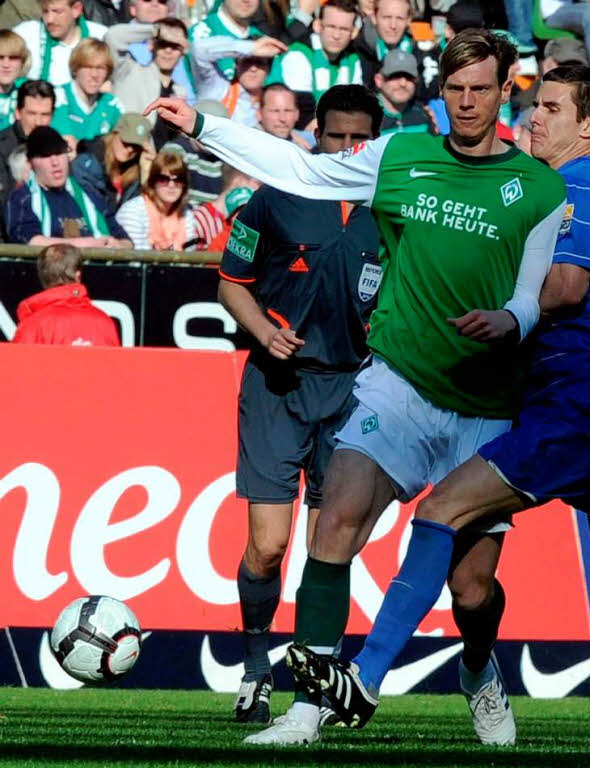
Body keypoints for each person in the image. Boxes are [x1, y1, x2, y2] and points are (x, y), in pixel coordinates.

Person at [283, 64, 590, 754]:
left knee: (438, 511)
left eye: (549, 107)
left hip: (574, 403)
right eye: (534, 105)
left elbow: (567, 288)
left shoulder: (576, 185)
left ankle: (362, 677)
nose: (533, 118)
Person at [146, 28, 566, 747]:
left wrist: (508, 317)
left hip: (483, 400)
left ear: (506, 91)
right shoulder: (401, 155)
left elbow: (535, 294)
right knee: (335, 521)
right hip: (394, 385)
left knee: (471, 590)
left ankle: (476, 665)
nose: (466, 103)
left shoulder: (539, 187)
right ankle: (308, 705)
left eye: (480, 90)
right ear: (442, 93)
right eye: (455, 90)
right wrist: (210, 127)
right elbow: (301, 171)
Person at [215, 84, 383, 724]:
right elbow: (232, 285)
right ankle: (256, 670)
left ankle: (314, 687)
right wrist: (264, 332)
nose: (345, 149)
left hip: (352, 389)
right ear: (315, 135)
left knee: (329, 547)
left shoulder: (390, 208)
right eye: (334, 136)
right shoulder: (273, 199)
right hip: (276, 388)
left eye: (357, 139)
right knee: (267, 546)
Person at [4, 126, 131, 247]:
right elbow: (29, 241)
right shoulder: (21, 198)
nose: (55, 162)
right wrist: (91, 245)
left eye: (59, 153)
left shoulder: (88, 193)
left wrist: (117, 245)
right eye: (45, 156)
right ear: (30, 163)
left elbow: (125, 240)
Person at [269, 0, 365, 127]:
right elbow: (304, 113)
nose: (336, 35)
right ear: (317, 26)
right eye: (331, 27)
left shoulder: (353, 59)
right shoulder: (299, 53)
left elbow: (356, 106)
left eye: (344, 29)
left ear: (354, 33)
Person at [12, 243, 120, 345]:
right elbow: (117, 364)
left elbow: (14, 363)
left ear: (42, 277)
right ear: (78, 276)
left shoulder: (32, 326)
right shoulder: (105, 323)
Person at [106, 18, 192, 144]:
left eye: (174, 46)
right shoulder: (128, 71)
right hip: (127, 154)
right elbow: (112, 36)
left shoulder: (180, 92)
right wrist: (155, 30)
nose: (168, 51)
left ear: (183, 50)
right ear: (151, 44)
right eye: (163, 43)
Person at [191, 32, 288, 129]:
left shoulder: (272, 101)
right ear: (236, 65)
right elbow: (199, 49)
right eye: (247, 61)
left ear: (269, 69)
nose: (253, 69)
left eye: (260, 63)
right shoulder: (216, 87)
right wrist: (251, 48)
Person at [115, 149, 199, 249]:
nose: (171, 185)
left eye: (178, 180)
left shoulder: (187, 214)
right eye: (163, 179)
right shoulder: (133, 210)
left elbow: (189, 259)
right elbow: (136, 259)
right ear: (152, 181)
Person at [13, 0, 108, 88]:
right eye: (45, 11)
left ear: (76, 9)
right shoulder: (25, 34)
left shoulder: (102, 36)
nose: (49, 20)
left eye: (57, 12)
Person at [71, 112, 154, 214]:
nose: (129, 149)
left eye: (136, 146)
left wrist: (147, 174)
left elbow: (148, 213)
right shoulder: (87, 164)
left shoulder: (138, 171)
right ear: (114, 134)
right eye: (126, 142)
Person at [51, 39, 123, 147]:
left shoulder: (112, 105)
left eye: (100, 68)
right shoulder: (59, 98)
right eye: (88, 67)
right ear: (75, 69)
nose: (94, 75)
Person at [0, 80, 55, 205]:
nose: (38, 122)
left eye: (45, 115)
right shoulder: (2, 147)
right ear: (18, 113)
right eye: (32, 113)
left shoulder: (57, 148)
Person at [192, 165, 260, 248]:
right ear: (238, 180)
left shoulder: (241, 221)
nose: (259, 189)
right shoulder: (200, 219)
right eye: (258, 183)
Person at [375, 49, 434, 135]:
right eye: (395, 76)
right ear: (379, 80)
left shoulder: (423, 115)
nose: (403, 83)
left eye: (409, 77)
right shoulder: (366, 118)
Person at [257, 82, 313, 148]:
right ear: (259, 114)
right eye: (275, 111)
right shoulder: (246, 144)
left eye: (288, 111)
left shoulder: (312, 143)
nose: (282, 119)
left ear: (297, 114)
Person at [0, 30, 30, 134]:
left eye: (13, 58)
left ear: (22, 62)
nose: (6, 65)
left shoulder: (28, 92)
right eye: (0, 57)